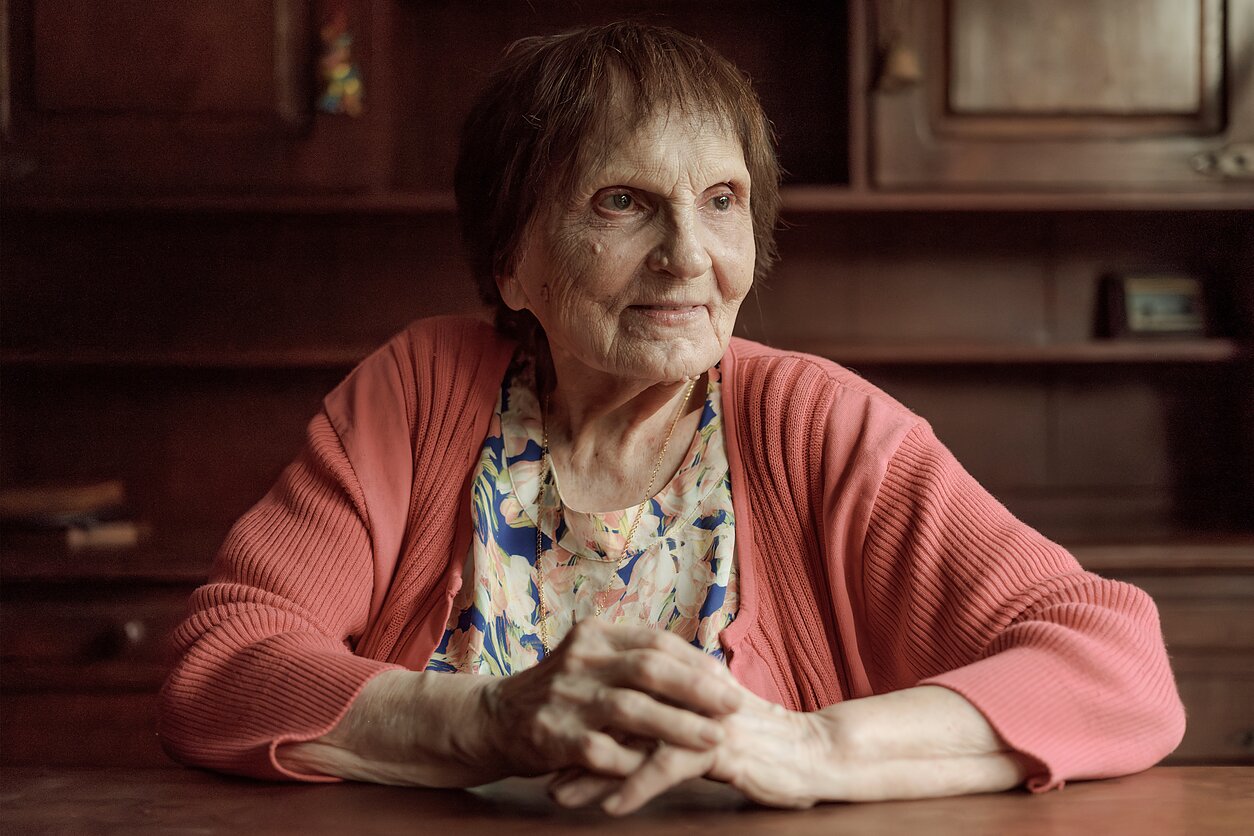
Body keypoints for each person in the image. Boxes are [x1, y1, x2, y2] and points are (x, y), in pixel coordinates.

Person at [159, 22, 1184, 814]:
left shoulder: (813, 422)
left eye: (723, 199)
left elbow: (1116, 664)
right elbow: (223, 661)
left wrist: (805, 747)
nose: (689, 254)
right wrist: (485, 722)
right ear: (511, 259)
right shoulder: (419, 392)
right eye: (622, 201)